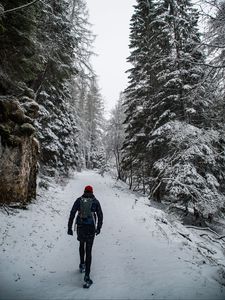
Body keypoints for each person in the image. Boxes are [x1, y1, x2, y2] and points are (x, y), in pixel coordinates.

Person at [67, 185, 103, 286]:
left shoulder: (79, 200)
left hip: (81, 227)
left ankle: (82, 264)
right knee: (89, 250)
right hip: (91, 228)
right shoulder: (95, 201)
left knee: (81, 245)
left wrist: (69, 227)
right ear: (92, 192)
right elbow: (100, 215)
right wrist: (99, 227)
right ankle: (87, 276)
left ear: (84, 191)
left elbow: (72, 213)